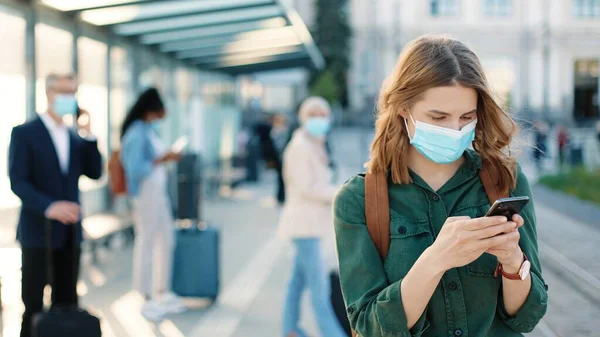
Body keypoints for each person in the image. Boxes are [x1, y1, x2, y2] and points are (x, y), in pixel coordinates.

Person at [333, 35, 548, 337]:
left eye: (467, 117)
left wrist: (514, 262)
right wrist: (436, 260)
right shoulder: (359, 200)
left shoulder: (504, 178)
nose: (455, 130)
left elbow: (527, 317)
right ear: (403, 108)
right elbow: (368, 326)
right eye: (438, 117)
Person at [9, 73, 103, 337]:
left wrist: (88, 132)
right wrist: (50, 206)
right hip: (37, 232)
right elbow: (18, 181)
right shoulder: (25, 133)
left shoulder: (75, 136)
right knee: (33, 305)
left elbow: (95, 172)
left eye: (72, 92)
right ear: (48, 93)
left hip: (70, 234)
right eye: (62, 91)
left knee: (67, 303)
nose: (67, 97)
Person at [277, 97, 346, 337]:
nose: (318, 119)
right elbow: (308, 188)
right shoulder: (299, 147)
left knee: (297, 282)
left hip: (313, 225)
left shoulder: (315, 144)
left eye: (322, 114)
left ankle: (290, 329)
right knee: (319, 288)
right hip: (304, 226)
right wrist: (340, 191)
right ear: (303, 117)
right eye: (312, 114)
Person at [120, 88, 186, 321]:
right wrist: (162, 159)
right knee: (147, 241)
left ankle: (162, 290)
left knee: (166, 239)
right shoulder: (136, 133)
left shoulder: (148, 130)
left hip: (158, 191)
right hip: (146, 192)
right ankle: (144, 296)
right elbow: (135, 168)